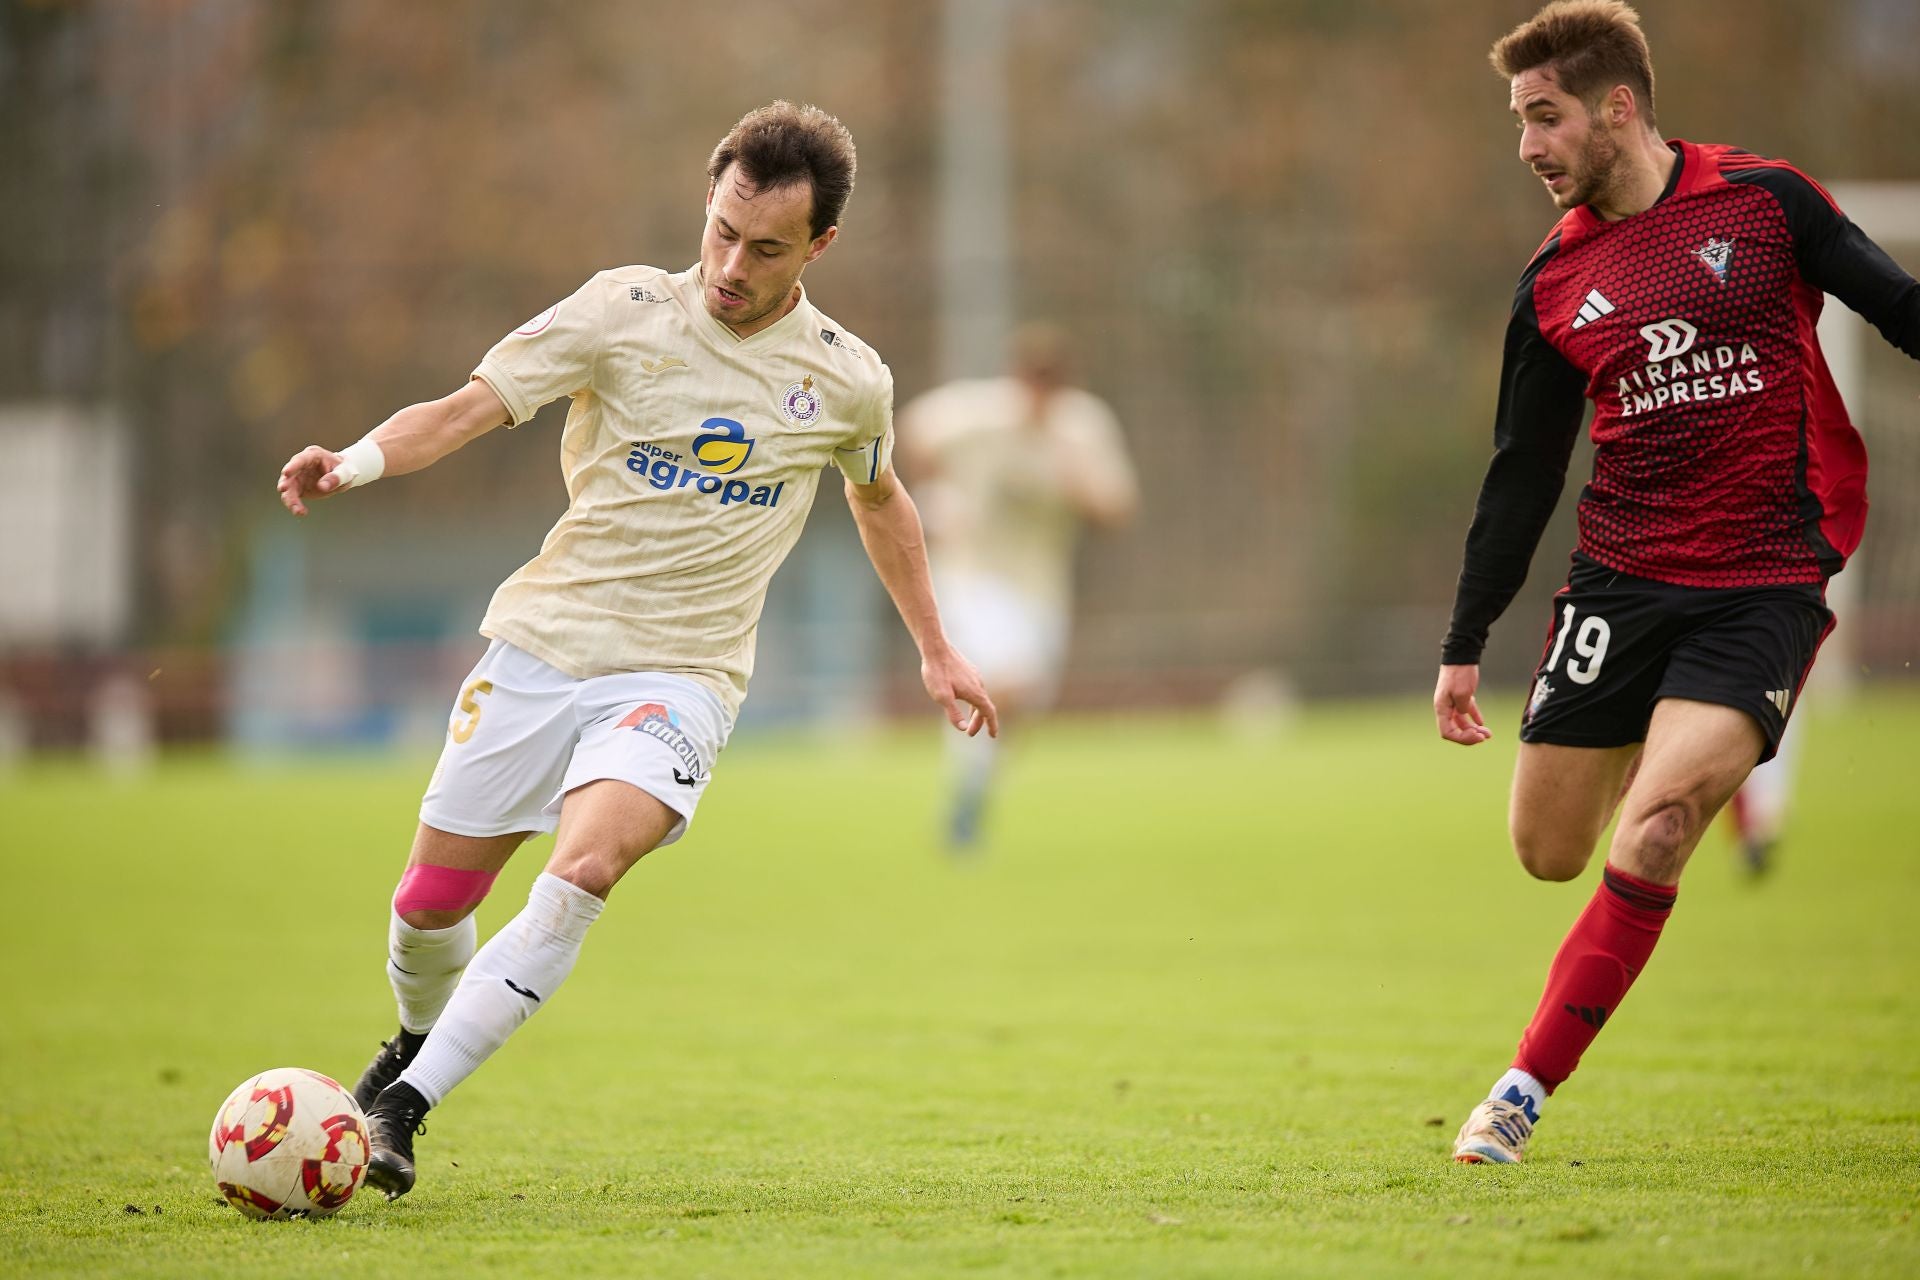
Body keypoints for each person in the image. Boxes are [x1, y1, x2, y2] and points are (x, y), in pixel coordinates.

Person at [274, 102, 997, 1199]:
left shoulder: (848, 378)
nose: (729, 265)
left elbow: (880, 497)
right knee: (428, 903)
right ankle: (411, 1044)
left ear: (819, 247)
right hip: (541, 646)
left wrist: (937, 649)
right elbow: (471, 407)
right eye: (719, 230)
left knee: (586, 866)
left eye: (763, 249)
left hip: (681, 678)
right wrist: (358, 462)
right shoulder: (622, 309)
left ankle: (403, 1109)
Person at [1433, 1, 1919, 1163]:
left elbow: (1902, 312)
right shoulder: (1551, 283)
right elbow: (1523, 474)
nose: (1527, 146)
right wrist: (1465, 639)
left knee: (1655, 828)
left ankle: (1516, 1095)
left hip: (1763, 577)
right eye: (1517, 121)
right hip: (1619, 583)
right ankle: (1663, 766)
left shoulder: (1766, 203)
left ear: (1620, 106)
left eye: (1543, 116)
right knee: (1550, 850)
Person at [898, 326, 1137, 849]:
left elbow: (1118, 506)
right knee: (1003, 682)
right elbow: (914, 430)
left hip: (1042, 587)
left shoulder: (1083, 428)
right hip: (972, 576)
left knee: (1024, 704)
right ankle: (965, 794)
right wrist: (937, 495)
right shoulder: (977, 415)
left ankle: (969, 792)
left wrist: (1081, 487)